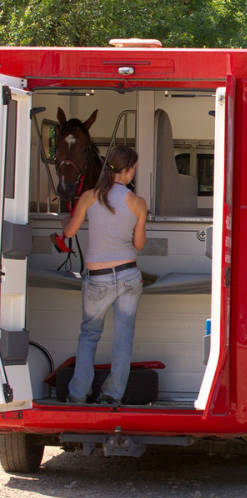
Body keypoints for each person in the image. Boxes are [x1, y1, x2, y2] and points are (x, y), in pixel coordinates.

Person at [64, 145, 147, 404]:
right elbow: (139, 244)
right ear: (130, 170)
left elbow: (69, 233)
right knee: (123, 337)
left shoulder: (90, 197)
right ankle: (111, 395)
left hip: (98, 278)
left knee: (89, 336)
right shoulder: (137, 203)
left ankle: (78, 394)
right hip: (128, 276)